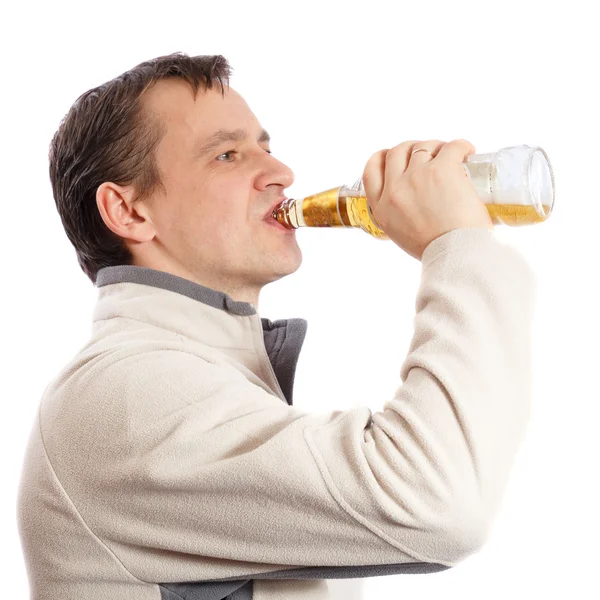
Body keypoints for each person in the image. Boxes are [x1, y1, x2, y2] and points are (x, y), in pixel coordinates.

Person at [16, 52, 537, 600]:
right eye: (226, 154)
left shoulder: (202, 379)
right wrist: (457, 247)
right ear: (128, 211)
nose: (281, 173)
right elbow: (438, 501)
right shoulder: (122, 390)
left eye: (264, 147)